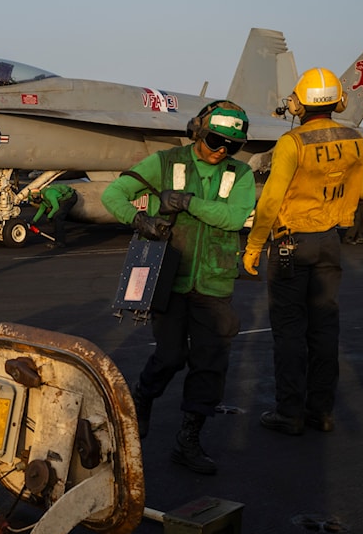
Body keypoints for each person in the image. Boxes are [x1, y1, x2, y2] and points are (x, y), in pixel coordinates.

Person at [101, 100, 256, 475]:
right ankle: (144, 396)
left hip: (215, 283)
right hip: (169, 279)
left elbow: (235, 218)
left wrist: (186, 202)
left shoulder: (242, 174)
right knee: (170, 356)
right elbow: (112, 195)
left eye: (232, 145)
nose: (222, 150)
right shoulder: (165, 162)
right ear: (198, 130)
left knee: (209, 365)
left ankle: (189, 439)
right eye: (217, 140)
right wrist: (141, 220)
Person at [242, 67, 363, 436]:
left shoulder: (292, 142)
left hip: (290, 244)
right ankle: (322, 412)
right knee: (324, 330)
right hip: (329, 242)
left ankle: (290, 413)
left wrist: (254, 246)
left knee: (288, 332)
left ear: (298, 103)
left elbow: (270, 200)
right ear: (339, 101)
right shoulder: (355, 138)